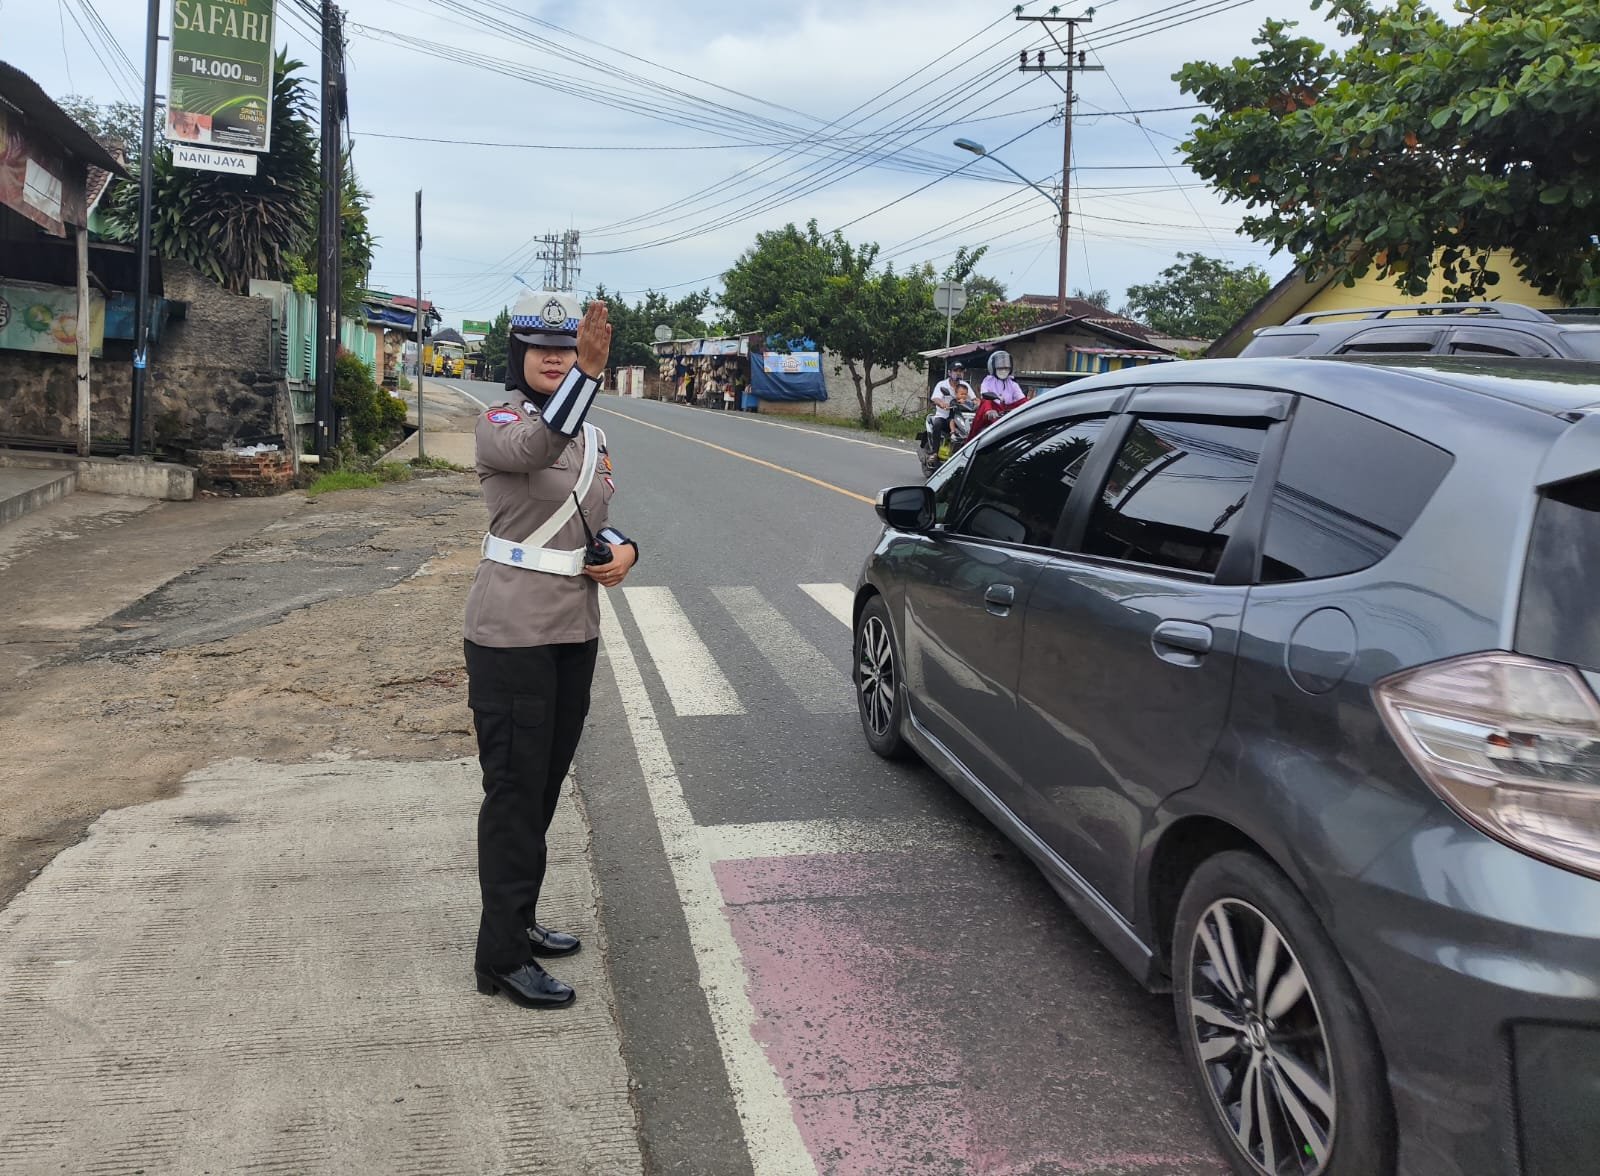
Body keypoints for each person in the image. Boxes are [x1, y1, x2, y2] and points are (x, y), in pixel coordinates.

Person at [463, 290, 639, 1010]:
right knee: (512, 793)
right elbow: (535, 450)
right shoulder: (500, 422)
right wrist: (589, 377)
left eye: (568, 348)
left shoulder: (592, 436)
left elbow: (591, 520)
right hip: (512, 635)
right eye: (542, 347)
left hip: (573, 631)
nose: (557, 357)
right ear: (519, 354)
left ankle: (521, 920)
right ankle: (500, 957)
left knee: (542, 785)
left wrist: (625, 549)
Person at [929, 361, 971, 456]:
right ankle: (934, 453)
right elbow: (935, 398)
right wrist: (942, 403)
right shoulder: (942, 384)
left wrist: (979, 402)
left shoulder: (965, 385)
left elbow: (974, 399)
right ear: (949, 372)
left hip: (961, 417)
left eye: (961, 371)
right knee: (937, 424)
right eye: (955, 371)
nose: (958, 373)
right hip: (944, 416)